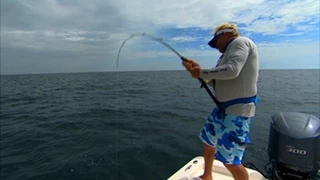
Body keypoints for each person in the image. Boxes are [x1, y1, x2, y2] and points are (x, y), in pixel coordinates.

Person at [182, 22, 259, 180]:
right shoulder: (224, 56)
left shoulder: (240, 42)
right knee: (208, 140)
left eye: (216, 41)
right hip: (221, 110)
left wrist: (201, 72)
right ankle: (207, 176)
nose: (216, 46)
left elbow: (232, 70)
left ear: (224, 33)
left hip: (237, 112)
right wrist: (199, 72)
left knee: (231, 161)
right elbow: (218, 80)